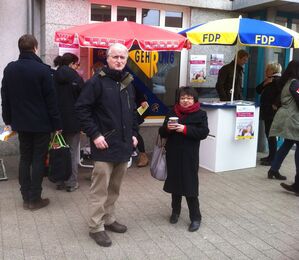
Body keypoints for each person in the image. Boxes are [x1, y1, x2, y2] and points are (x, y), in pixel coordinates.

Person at [75, 43, 138, 247]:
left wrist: (135, 133)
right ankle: (96, 227)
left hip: (123, 145)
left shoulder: (128, 82)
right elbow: (82, 109)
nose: (119, 61)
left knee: (115, 188)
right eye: (115, 57)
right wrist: (94, 135)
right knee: (99, 190)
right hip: (103, 146)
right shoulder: (96, 82)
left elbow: (132, 112)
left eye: (122, 57)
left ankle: (109, 219)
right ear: (108, 58)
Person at [1, 34, 62, 210]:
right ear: (35, 47)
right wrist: (57, 124)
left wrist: (8, 120)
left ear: (20, 48)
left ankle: (25, 196)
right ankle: (34, 199)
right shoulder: (42, 70)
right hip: (41, 123)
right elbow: (52, 101)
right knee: (37, 159)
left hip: (21, 123)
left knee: (25, 158)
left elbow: (5, 96)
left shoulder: (10, 69)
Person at [159, 87, 209, 232]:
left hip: (189, 155)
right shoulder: (172, 112)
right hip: (173, 154)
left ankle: (195, 217)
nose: (185, 101)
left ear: (194, 99)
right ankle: (175, 212)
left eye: (189, 98)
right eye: (182, 98)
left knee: (190, 185)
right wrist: (167, 128)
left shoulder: (201, 114)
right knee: (175, 184)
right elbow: (161, 132)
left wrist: (185, 129)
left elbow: (204, 132)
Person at [53, 53, 84, 192]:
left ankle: (59, 180)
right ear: (72, 63)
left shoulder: (52, 76)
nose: (77, 67)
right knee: (72, 152)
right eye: (77, 64)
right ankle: (71, 183)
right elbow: (83, 99)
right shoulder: (76, 77)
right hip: (73, 121)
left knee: (59, 150)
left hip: (56, 121)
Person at [268, 60, 299, 186]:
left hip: (286, 116)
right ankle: (298, 182)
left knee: (287, 144)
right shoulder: (296, 83)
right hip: (292, 118)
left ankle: (273, 170)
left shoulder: (287, 82)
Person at [256, 62, 282, 166]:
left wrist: (275, 104)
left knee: (271, 134)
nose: (266, 71)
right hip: (267, 111)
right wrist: (264, 83)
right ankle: (271, 156)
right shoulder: (269, 80)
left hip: (272, 112)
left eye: (268, 69)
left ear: (273, 70)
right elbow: (258, 90)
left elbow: (281, 93)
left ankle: (273, 158)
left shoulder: (278, 81)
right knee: (268, 133)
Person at [134, 85, 149, 167]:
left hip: (132, 110)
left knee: (133, 131)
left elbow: (139, 91)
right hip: (116, 111)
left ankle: (143, 155)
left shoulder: (128, 80)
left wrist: (143, 100)